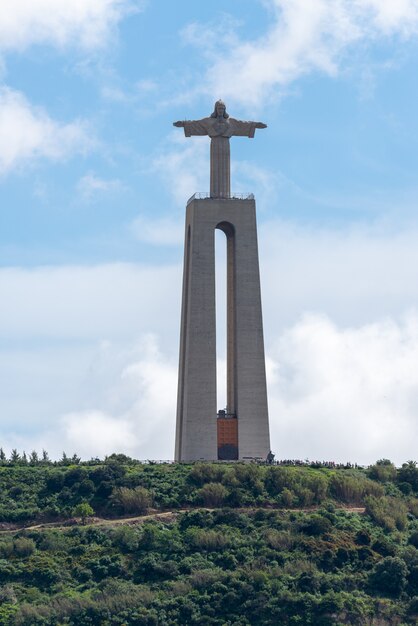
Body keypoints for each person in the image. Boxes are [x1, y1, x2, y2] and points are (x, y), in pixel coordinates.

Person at [174, 100, 266, 198]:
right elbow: (196, 123)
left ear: (225, 109)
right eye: (219, 108)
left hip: (225, 145)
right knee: (215, 167)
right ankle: (215, 196)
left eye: (222, 108)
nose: (220, 110)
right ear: (216, 109)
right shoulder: (209, 121)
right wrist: (184, 124)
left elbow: (242, 124)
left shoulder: (231, 122)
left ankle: (225, 196)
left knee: (225, 167)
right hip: (215, 144)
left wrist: (255, 125)